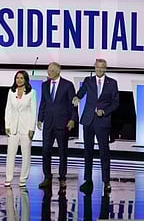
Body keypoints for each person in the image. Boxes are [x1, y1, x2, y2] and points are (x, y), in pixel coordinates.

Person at [73, 59, 119, 193]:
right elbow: (81, 92)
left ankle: (106, 181)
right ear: (94, 67)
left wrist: (104, 111)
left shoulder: (112, 83)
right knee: (88, 152)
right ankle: (88, 181)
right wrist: (77, 97)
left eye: (102, 67)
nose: (99, 69)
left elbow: (115, 103)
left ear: (105, 68)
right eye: (97, 67)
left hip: (102, 121)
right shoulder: (88, 80)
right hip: (88, 120)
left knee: (104, 152)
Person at [37, 62, 77, 192]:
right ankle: (47, 176)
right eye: (49, 70)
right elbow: (43, 102)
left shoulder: (68, 85)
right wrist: (39, 118)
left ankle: (62, 178)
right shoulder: (44, 85)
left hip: (62, 123)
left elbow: (73, 105)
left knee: (62, 152)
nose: (50, 72)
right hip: (48, 123)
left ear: (58, 71)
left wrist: (72, 119)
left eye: (53, 70)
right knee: (45, 150)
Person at [4, 70, 37, 188]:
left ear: (26, 79)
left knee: (26, 154)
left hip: (25, 128)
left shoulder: (32, 93)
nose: (19, 80)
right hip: (13, 127)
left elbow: (33, 111)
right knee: (10, 154)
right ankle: (8, 178)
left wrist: (31, 128)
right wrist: (7, 125)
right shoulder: (11, 92)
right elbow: (8, 109)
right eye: (17, 78)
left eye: (21, 78)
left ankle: (23, 179)